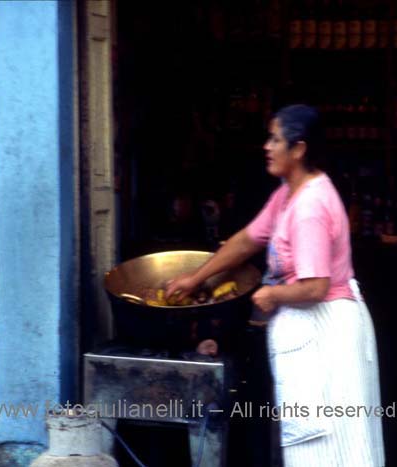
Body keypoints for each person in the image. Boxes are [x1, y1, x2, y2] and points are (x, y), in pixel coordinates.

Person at [165, 104, 385, 466]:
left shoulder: (310, 206)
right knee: (319, 446)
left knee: (330, 448)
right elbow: (248, 239)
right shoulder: (288, 194)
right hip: (314, 335)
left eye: (275, 139)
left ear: (298, 149)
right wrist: (196, 277)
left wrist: (270, 293)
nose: (267, 146)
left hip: (326, 334)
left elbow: (315, 287)